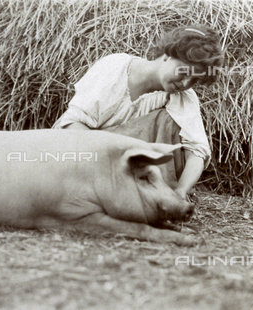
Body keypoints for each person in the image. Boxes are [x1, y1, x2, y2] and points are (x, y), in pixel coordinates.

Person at [52, 25, 224, 200]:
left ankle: (151, 198)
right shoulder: (114, 67)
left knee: (169, 121)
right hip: (87, 156)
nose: (186, 83)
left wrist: (180, 191)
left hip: (136, 173)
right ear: (168, 55)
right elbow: (74, 125)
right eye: (184, 71)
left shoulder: (183, 97)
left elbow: (196, 152)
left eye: (195, 80)